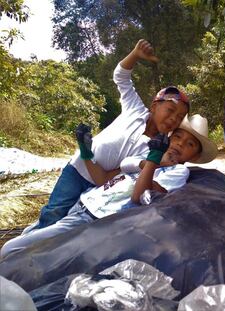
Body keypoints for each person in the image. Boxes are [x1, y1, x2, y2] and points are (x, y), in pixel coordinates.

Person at [1, 114, 218, 258]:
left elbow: (139, 196)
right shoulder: (148, 157)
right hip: (84, 203)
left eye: (189, 144)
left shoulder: (178, 171)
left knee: (13, 250)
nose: (180, 143)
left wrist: (152, 161)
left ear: (195, 155)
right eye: (178, 137)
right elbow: (115, 171)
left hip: (93, 219)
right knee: (32, 234)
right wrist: (87, 154)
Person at [28, 39, 190, 231]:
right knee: (53, 212)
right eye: (170, 110)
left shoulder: (155, 151)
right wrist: (135, 55)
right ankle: (28, 251)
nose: (173, 119)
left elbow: (111, 178)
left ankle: (37, 247)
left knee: (66, 225)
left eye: (179, 117)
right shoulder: (135, 109)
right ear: (154, 106)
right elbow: (121, 76)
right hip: (77, 168)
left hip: (97, 186)